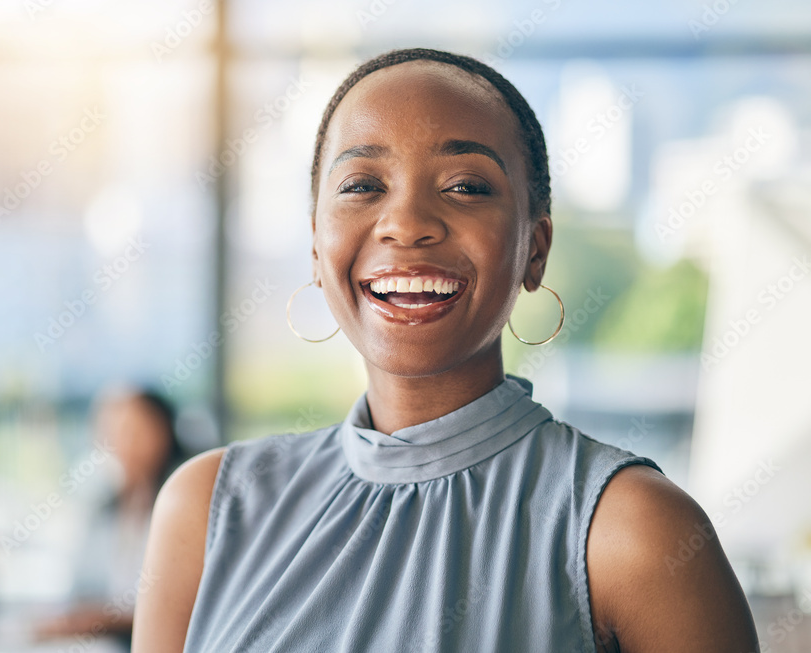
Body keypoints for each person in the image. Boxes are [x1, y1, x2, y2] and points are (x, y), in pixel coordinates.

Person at [131, 48, 760, 652]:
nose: (406, 223)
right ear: (317, 249)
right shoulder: (206, 508)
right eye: (361, 184)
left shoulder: (635, 531)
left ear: (534, 250)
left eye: (464, 186)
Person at [37, 388, 184, 646]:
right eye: (111, 432)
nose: (124, 443)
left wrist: (109, 619)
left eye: (133, 430)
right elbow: (80, 591)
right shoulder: (102, 509)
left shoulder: (182, 503)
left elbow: (186, 605)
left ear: (164, 431)